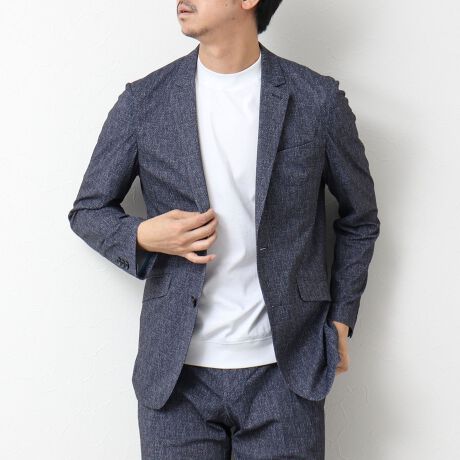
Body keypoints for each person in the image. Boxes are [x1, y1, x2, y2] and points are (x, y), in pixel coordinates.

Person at [68, 1, 380, 458]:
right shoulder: (144, 101)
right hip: (176, 379)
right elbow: (88, 209)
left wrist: (341, 320)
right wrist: (142, 236)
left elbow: (359, 218)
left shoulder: (316, 100)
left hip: (286, 371)